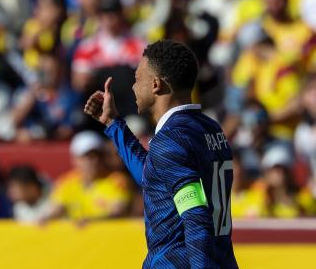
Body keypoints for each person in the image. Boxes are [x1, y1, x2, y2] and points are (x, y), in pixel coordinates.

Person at [84, 40, 238, 268]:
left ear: (156, 84)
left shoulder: (171, 139)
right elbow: (153, 177)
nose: (133, 87)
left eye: (137, 79)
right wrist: (112, 123)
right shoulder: (211, 128)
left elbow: (196, 216)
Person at [41, 131, 133, 224]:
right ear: (75, 159)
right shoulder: (66, 182)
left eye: (97, 156)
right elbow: (57, 209)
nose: (93, 161)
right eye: (86, 157)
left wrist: (92, 223)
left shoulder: (117, 180)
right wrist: (46, 219)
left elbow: (118, 213)